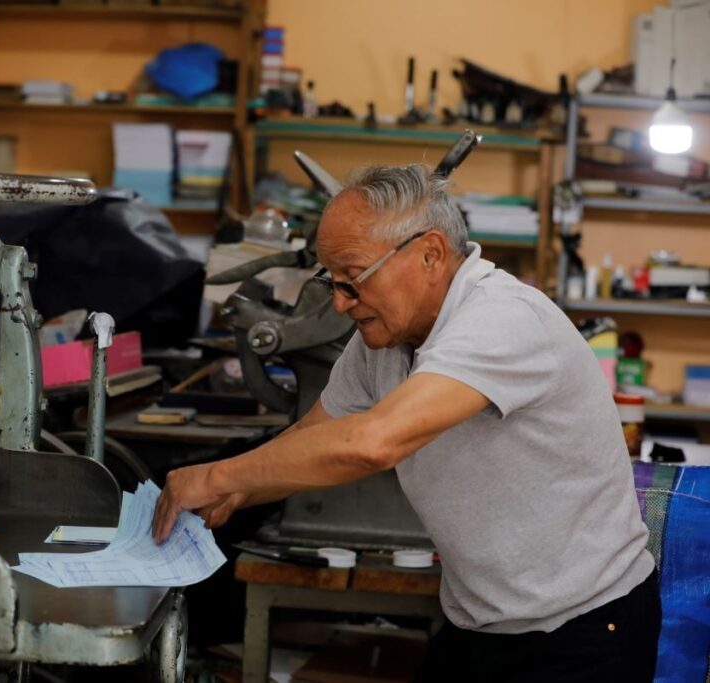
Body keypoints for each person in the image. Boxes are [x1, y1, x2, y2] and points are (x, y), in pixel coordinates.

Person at [152, 164, 661, 682]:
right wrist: (235, 492)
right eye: (332, 281)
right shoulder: (383, 342)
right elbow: (314, 434)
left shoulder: (502, 319)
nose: (340, 303)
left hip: (582, 628)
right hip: (480, 621)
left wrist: (216, 475)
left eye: (354, 279)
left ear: (430, 255)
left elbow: (373, 443)